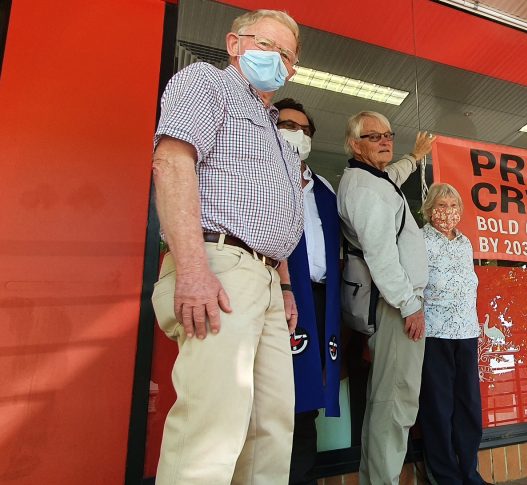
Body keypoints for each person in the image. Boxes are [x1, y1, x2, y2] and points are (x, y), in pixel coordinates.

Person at [150, 9, 303, 484]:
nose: (275, 59)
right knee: (211, 429)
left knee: (270, 430)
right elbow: (172, 162)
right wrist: (194, 269)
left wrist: (286, 287)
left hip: (265, 280)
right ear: (234, 44)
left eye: (286, 55)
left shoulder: (275, 128)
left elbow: (271, 216)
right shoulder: (207, 82)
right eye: (266, 45)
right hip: (220, 264)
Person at [336, 111, 433, 484]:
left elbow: (392, 177)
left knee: (390, 403)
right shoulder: (365, 190)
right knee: (395, 403)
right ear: (354, 144)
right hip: (394, 306)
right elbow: (381, 255)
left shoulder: (371, 180)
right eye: (374, 137)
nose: (384, 141)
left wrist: (415, 156)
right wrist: (410, 305)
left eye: (388, 135)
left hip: (394, 303)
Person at [274, 98, 342, 485]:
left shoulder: (323, 187)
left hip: (319, 300)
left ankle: (303, 477)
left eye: (305, 129)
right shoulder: (264, 175)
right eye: (288, 125)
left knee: (309, 397)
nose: (298, 134)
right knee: (279, 397)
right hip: (281, 295)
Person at [417, 183, 490, 485]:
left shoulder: (464, 243)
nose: (448, 212)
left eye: (453, 206)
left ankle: (469, 473)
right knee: (439, 408)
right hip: (435, 333)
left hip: (466, 333)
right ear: (429, 208)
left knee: (469, 406)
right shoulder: (419, 239)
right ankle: (447, 477)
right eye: (441, 205)